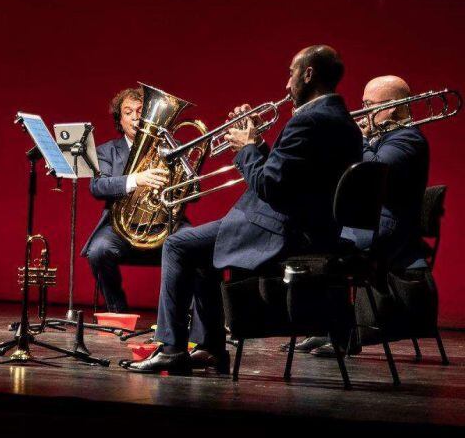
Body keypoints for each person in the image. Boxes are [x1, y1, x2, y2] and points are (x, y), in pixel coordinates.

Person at [125, 45, 363, 374]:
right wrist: (260, 145)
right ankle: (209, 346)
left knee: (178, 244)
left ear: (309, 74)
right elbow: (292, 176)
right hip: (304, 226)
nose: (286, 84)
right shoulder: (340, 120)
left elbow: (270, 187)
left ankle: (171, 348)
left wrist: (248, 148)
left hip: (283, 231)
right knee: (197, 249)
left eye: (291, 72)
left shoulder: (310, 121)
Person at [301, 75, 432, 357]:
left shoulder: (408, 139)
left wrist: (357, 139)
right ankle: (326, 327)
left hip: (388, 228)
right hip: (367, 223)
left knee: (325, 246)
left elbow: (372, 170)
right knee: (310, 235)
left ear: (395, 107)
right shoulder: (383, 138)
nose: (362, 112)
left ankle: (344, 337)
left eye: (369, 105)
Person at [81, 87, 169, 312]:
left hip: (164, 225)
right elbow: (97, 186)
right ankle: (118, 313)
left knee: (197, 246)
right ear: (120, 119)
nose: (135, 117)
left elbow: (193, 191)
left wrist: (172, 183)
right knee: (98, 250)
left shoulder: (168, 148)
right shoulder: (107, 151)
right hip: (120, 227)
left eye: (140, 111)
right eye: (128, 112)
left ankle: (185, 321)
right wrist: (136, 179)